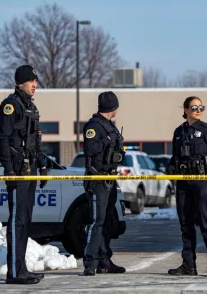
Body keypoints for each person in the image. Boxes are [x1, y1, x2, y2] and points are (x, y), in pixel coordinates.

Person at [0, 65, 48, 284]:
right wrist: (8, 169)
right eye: (31, 82)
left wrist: (43, 166)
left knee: (25, 220)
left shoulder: (29, 106)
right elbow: (4, 139)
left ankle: (22, 268)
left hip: (30, 170)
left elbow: (35, 142)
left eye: (36, 82)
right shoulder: (11, 105)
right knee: (17, 220)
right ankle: (15, 273)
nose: (35, 85)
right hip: (18, 171)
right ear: (20, 82)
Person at [167, 96, 207, 278]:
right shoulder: (178, 132)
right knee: (186, 225)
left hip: (202, 183)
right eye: (194, 107)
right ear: (185, 109)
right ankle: (188, 265)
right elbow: (175, 157)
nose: (198, 110)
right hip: (183, 183)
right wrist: (170, 170)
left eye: (201, 107)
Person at [82, 91, 126, 276]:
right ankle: (90, 263)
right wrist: (107, 140)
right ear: (113, 107)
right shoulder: (94, 126)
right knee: (96, 222)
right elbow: (90, 149)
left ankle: (104, 260)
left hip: (110, 179)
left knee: (106, 222)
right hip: (97, 180)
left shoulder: (110, 126)